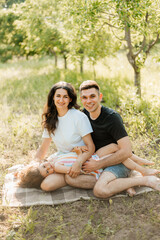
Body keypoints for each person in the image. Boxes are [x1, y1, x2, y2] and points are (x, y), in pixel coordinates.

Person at [65, 80, 160, 197]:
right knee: (70, 178)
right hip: (97, 157)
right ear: (81, 99)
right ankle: (122, 183)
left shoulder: (112, 118)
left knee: (100, 191)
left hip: (119, 160)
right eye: (85, 98)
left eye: (92, 96)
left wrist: (98, 165)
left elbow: (126, 151)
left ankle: (146, 180)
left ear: (100, 97)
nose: (88, 101)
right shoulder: (82, 115)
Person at [34, 81, 95, 191]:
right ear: (53, 97)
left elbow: (91, 147)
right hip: (62, 159)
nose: (61, 100)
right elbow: (43, 148)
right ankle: (69, 175)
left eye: (65, 97)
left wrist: (78, 163)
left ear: (70, 99)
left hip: (79, 158)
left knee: (47, 185)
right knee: (42, 183)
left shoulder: (79, 117)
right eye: (58, 96)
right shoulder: (51, 119)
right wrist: (32, 166)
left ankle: (73, 176)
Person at [14, 144, 159, 189]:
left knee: (115, 148)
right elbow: (76, 168)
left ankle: (140, 161)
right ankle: (142, 170)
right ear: (49, 175)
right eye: (47, 171)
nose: (48, 167)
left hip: (91, 156)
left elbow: (68, 155)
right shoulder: (57, 167)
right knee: (115, 157)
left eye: (44, 165)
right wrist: (79, 157)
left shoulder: (54, 158)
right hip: (92, 164)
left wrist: (77, 152)